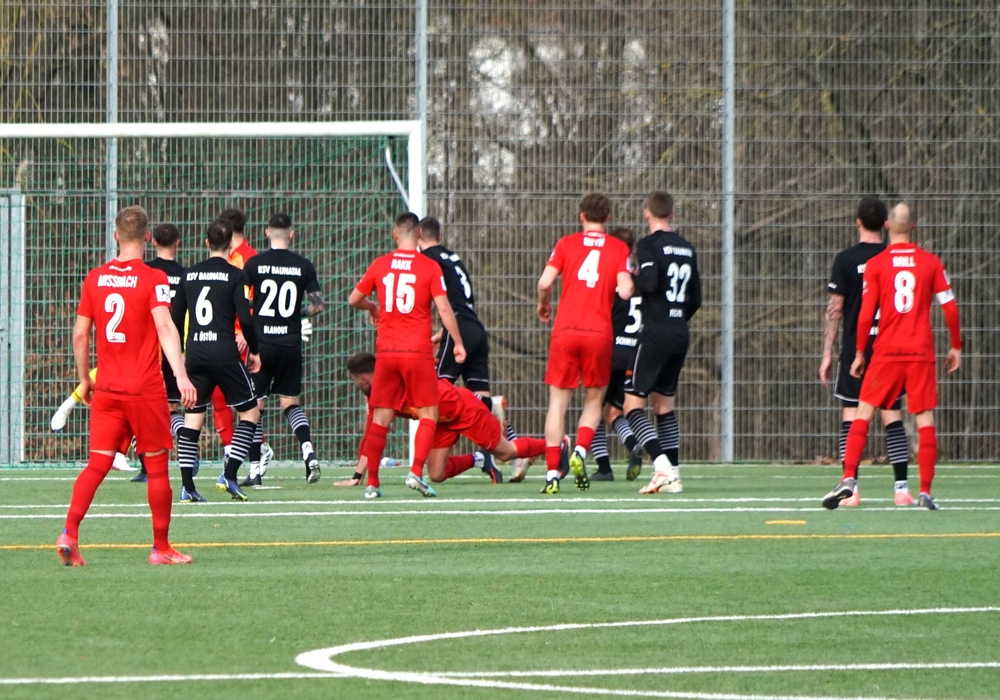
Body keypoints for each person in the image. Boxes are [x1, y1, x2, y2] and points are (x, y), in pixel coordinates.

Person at [56, 205, 197, 566]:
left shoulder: (95, 278)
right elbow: (165, 326)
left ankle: (69, 532)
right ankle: (160, 548)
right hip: (145, 389)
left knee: (97, 464)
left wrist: (85, 379)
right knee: (157, 466)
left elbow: (80, 334)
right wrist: (181, 375)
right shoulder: (153, 278)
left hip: (108, 389)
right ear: (147, 237)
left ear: (115, 235)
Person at [822, 203, 962, 511]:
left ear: (888, 226)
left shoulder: (877, 264)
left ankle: (849, 479)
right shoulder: (930, 262)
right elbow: (950, 307)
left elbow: (865, 314)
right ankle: (924, 492)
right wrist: (956, 345)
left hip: (886, 353)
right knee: (924, 418)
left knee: (862, 413)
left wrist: (860, 352)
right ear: (913, 227)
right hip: (920, 353)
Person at [348, 212, 466, 499]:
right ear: (419, 234)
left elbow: (354, 299)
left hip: (387, 353)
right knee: (429, 413)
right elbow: (444, 308)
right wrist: (457, 342)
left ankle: (372, 483)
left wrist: (373, 307)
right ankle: (415, 472)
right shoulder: (429, 267)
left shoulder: (380, 264)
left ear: (395, 234)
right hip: (417, 352)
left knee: (381, 417)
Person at [536, 193, 633, 494]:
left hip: (565, 331)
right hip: (599, 333)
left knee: (557, 403)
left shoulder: (566, 244)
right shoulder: (618, 248)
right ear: (607, 218)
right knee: (593, 402)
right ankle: (579, 451)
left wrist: (543, 304)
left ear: (581, 216)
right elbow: (626, 291)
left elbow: (544, 282)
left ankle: (552, 474)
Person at [417, 216, 528, 478]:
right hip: (475, 328)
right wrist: (445, 332)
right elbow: (459, 299)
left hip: (459, 329)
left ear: (418, 235)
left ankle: (425, 458)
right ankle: (514, 447)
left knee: (437, 393)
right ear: (440, 237)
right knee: (480, 396)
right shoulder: (453, 258)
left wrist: (449, 335)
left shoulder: (425, 260)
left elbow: (441, 304)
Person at [819, 197, 912, 506]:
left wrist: (827, 354)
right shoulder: (892, 258)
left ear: (857, 221)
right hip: (888, 348)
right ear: (885, 224)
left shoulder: (845, 260)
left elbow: (835, 309)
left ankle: (852, 488)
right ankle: (901, 490)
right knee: (892, 416)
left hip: (855, 349)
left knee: (851, 415)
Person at [342, 352, 550, 490]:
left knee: (506, 452)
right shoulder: (375, 396)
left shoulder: (396, 381)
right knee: (436, 474)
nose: (355, 385)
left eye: (354, 380)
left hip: (464, 409)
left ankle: (556, 445)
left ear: (364, 379)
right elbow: (371, 436)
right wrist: (357, 476)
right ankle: (479, 459)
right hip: (441, 422)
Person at [171, 220, 262, 502]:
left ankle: (187, 487)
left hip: (196, 354)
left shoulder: (189, 274)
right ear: (231, 244)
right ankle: (230, 474)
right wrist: (255, 350)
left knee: (192, 418)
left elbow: (175, 318)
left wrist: (180, 353)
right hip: (224, 354)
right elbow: (245, 319)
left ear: (206, 243)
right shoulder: (237, 275)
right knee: (250, 413)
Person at [623, 190, 701, 495]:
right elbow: (696, 298)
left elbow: (650, 282)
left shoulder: (647, 245)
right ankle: (675, 474)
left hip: (655, 334)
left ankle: (662, 467)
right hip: (679, 333)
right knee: (664, 405)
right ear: (672, 214)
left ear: (647, 213)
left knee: (631, 405)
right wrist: (676, 317)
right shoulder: (687, 247)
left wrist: (630, 276)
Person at [243, 213, 326, 485]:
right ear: (291, 234)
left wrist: (256, 311)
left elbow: (241, 302)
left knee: (255, 406)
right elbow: (318, 306)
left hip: (262, 346)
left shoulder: (254, 264)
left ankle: (255, 471)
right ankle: (308, 451)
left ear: (267, 232)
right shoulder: (303, 265)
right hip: (290, 344)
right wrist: (294, 313)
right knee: (290, 402)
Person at [590, 227, 646, 482]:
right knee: (614, 411)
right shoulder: (642, 278)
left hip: (610, 351)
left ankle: (603, 467)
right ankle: (634, 444)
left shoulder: (611, 277)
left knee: (593, 408)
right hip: (635, 353)